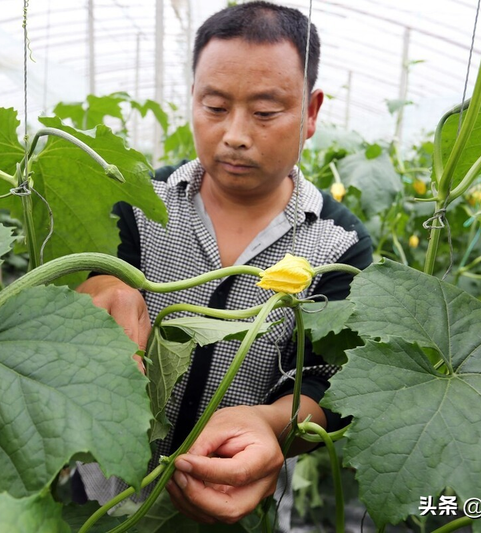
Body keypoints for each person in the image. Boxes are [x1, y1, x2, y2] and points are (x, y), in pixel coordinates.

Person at [75, 1, 373, 528]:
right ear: (191, 99)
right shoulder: (137, 202)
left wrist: (270, 422)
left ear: (310, 112)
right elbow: (95, 277)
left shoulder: (340, 246)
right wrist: (99, 285)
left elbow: (327, 385)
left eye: (264, 112)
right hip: (98, 498)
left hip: (230, 505)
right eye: (214, 107)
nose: (235, 134)